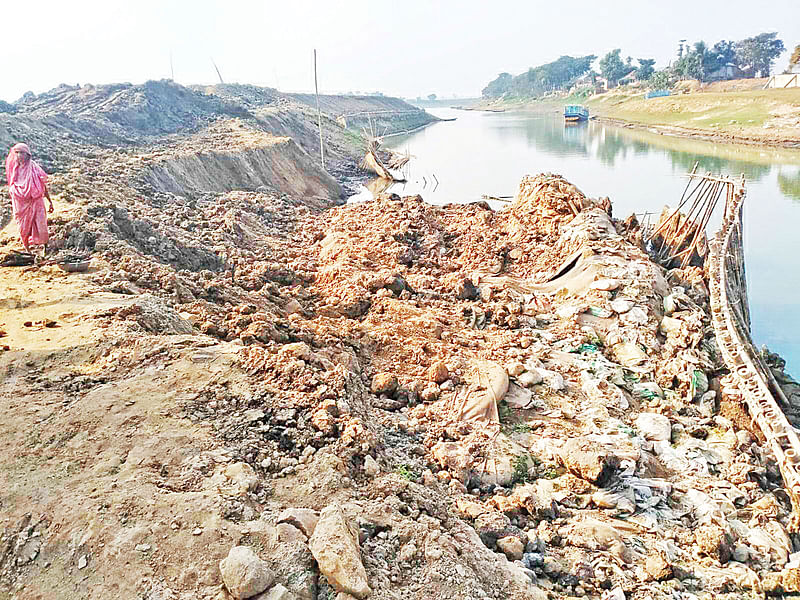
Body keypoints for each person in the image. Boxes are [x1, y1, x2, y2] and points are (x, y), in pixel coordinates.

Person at [5, 143, 53, 254]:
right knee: (23, 227)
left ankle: (45, 247)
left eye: (21, 152)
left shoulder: (34, 168)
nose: (18, 155)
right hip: (21, 204)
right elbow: (12, 185)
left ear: (27, 155)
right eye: (16, 153)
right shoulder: (15, 170)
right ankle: (27, 249)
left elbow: (42, 185)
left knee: (42, 224)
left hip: (36, 201)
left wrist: (50, 201)